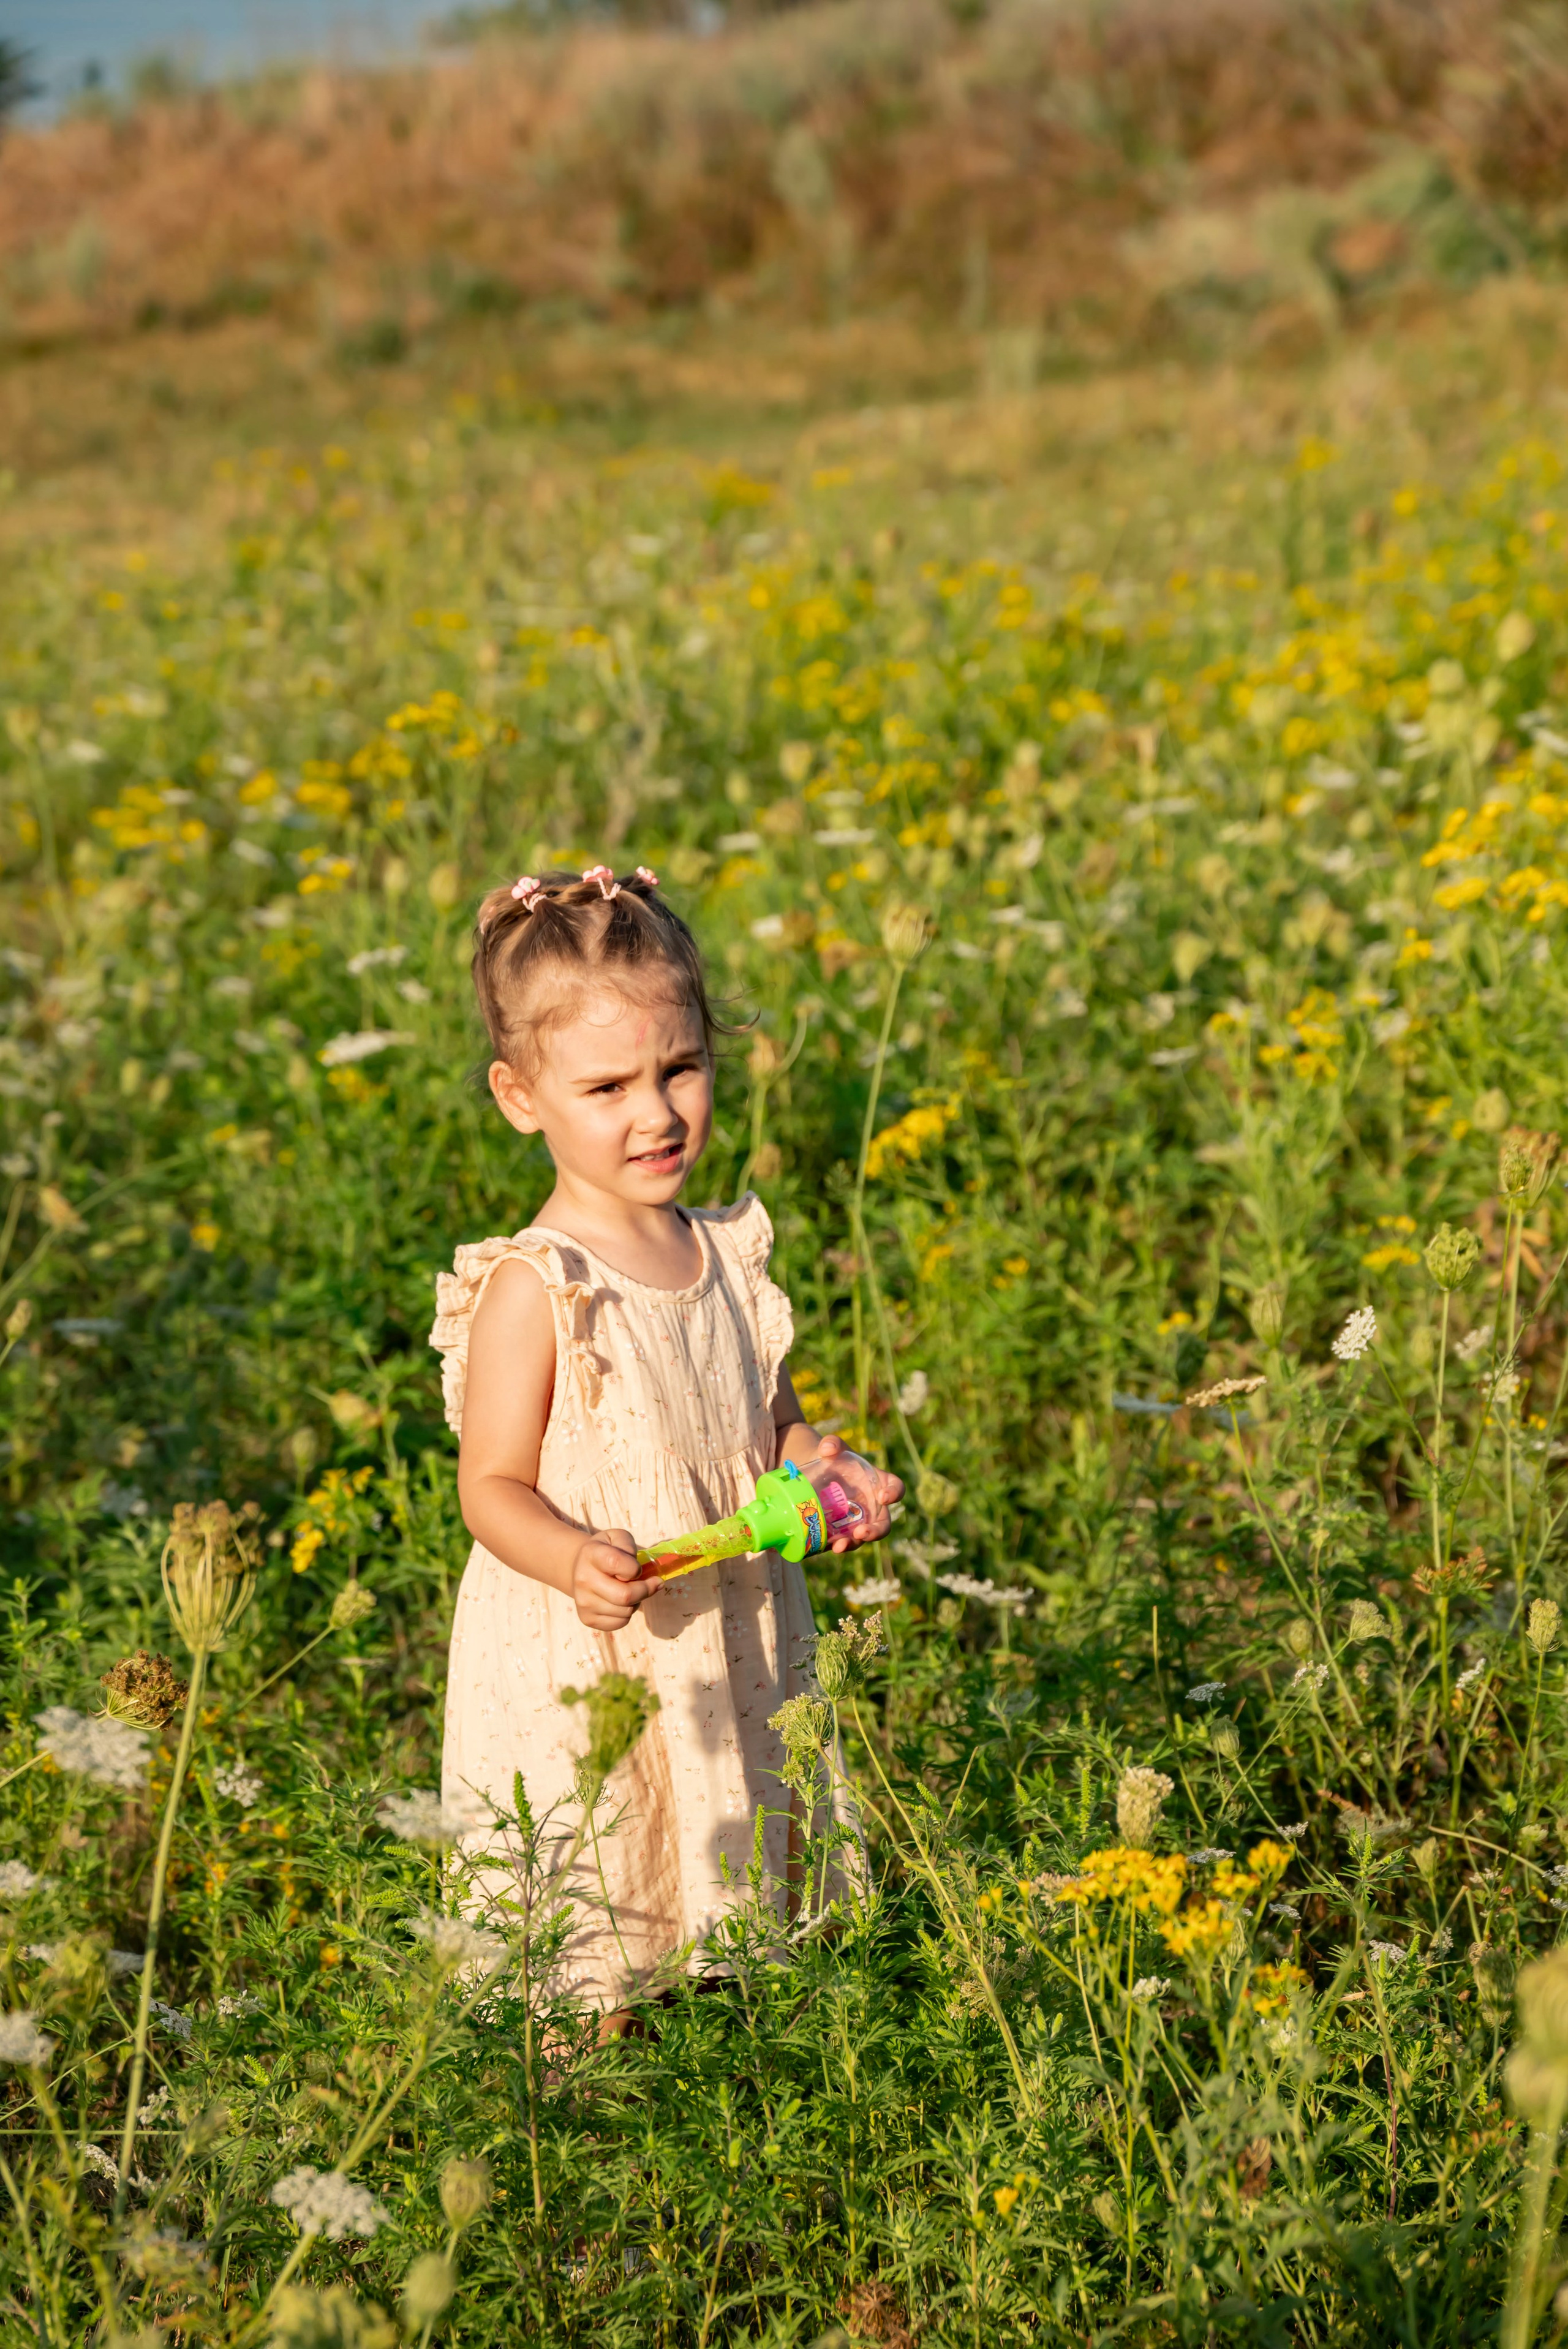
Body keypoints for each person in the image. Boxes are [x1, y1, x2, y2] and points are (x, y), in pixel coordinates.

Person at [429, 862, 900, 2020]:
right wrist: (569, 1555)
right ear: (520, 1095)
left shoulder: (726, 1256)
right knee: (600, 1900)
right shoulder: (538, 1287)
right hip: (591, 1652)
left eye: (679, 1069)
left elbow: (771, 1416)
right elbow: (489, 1486)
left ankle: (736, 2064)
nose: (657, 1113)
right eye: (607, 1087)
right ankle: (575, 2100)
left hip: (727, 1621)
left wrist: (815, 1469)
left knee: (731, 1873)